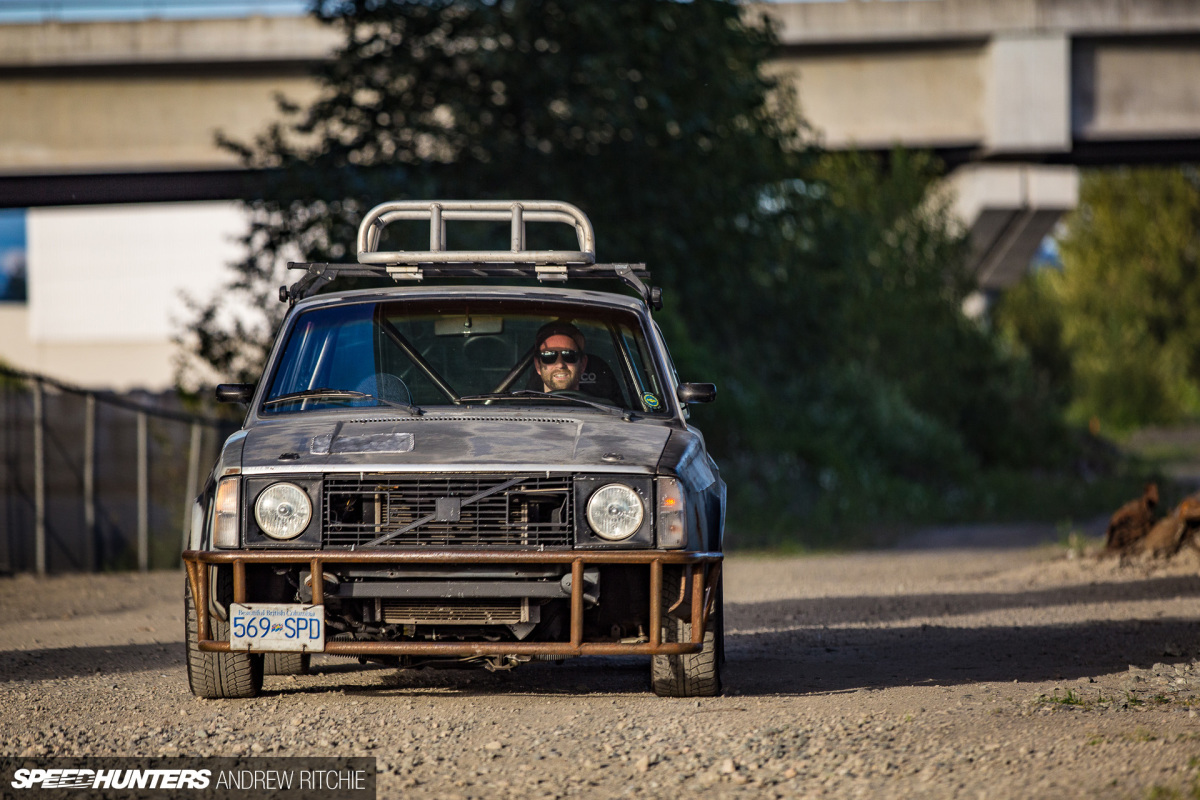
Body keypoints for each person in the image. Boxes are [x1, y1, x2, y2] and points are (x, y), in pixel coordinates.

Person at [533, 321, 588, 393]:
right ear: (538, 365)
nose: (560, 364)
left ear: (583, 364)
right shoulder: (522, 400)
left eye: (569, 355)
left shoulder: (600, 400)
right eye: (549, 356)